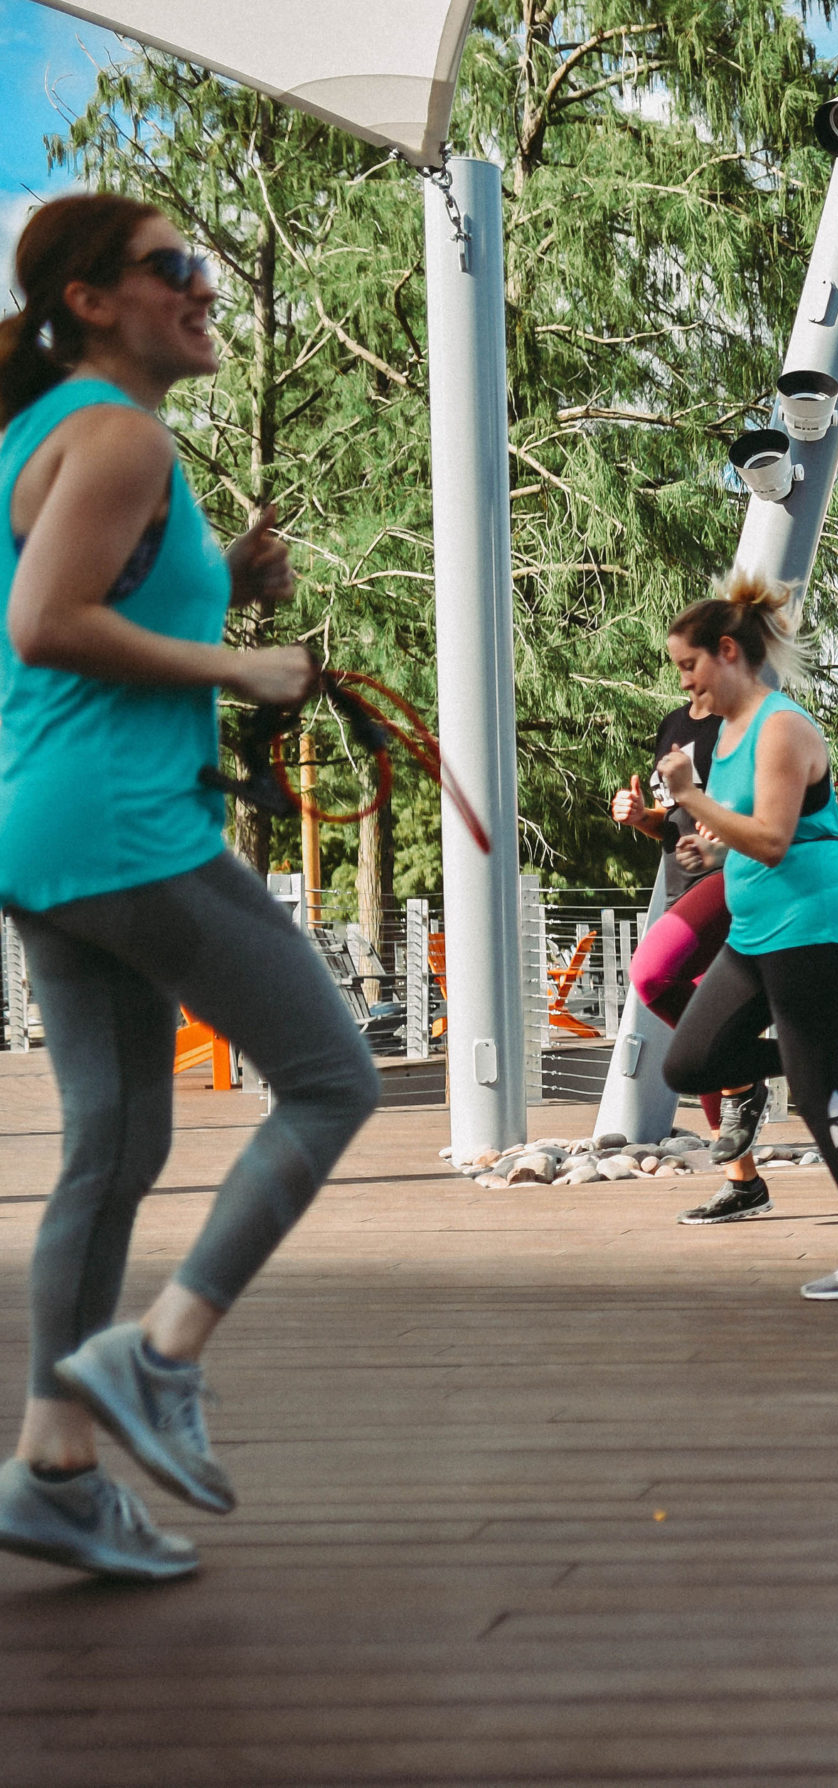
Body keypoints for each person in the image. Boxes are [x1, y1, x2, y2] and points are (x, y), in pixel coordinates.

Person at [0, 194, 381, 1580]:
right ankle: (160, 1360)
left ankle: (52, 1468)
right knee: (334, 1078)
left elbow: (91, 599)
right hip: (123, 824)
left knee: (111, 1149)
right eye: (179, 269)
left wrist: (228, 584)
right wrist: (242, 666)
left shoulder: (46, 436)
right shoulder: (118, 432)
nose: (204, 287)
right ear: (93, 300)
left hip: (40, 834)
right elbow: (44, 623)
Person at [652, 575, 838, 1302]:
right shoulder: (730, 735)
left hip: (811, 926)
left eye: (689, 665)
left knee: (814, 1092)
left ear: (728, 652)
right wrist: (712, 850)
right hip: (758, 928)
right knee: (690, 1062)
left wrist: (691, 797)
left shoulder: (783, 726)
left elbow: (772, 838)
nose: (684, 682)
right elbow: (755, 835)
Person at [611, 690, 772, 1222]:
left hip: (730, 880)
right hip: (683, 887)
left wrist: (724, 819)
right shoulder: (675, 723)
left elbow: (767, 809)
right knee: (701, 1038)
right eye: (679, 662)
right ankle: (742, 1184)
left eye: (692, 658)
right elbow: (672, 819)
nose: (686, 672)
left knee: (651, 974)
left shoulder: (743, 723)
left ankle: (751, 1079)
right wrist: (642, 818)